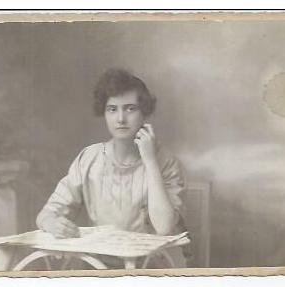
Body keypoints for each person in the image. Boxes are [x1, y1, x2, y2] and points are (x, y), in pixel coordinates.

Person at [36, 68, 187, 268]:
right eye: (112, 109)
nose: (121, 119)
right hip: (98, 265)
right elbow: (46, 214)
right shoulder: (89, 159)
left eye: (130, 108)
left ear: (144, 112)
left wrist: (149, 161)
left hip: (151, 267)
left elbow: (164, 227)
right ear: (104, 113)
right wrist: (53, 223)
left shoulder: (165, 162)